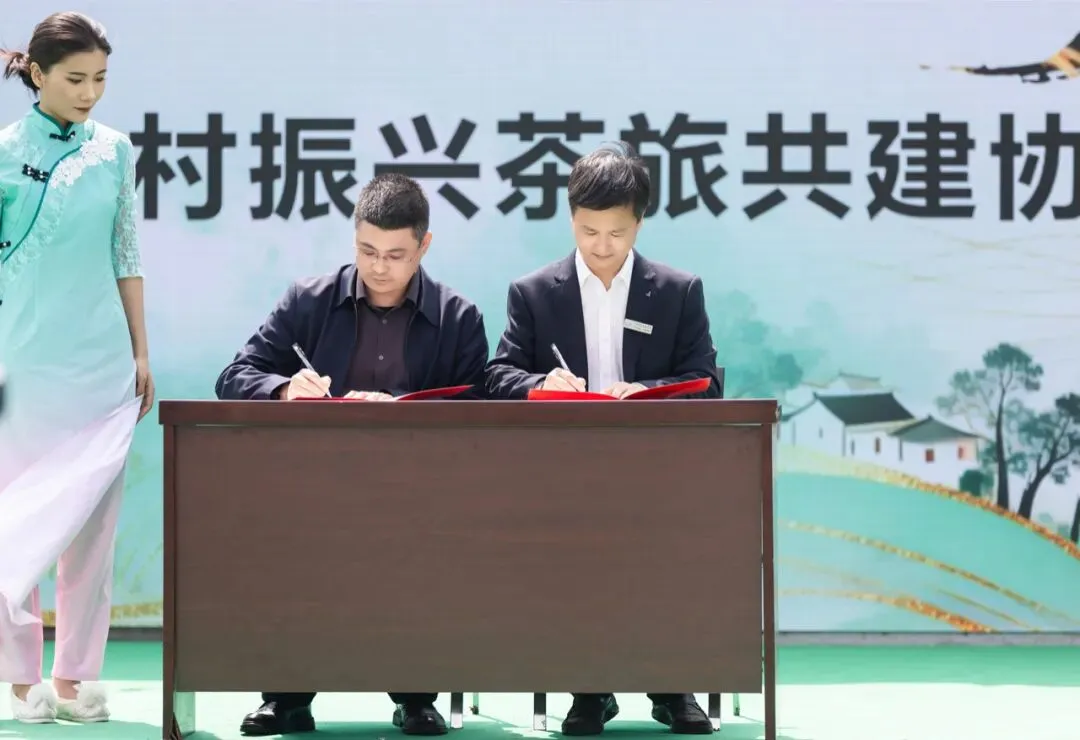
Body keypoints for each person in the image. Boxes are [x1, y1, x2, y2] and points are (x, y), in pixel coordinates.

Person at [216, 172, 487, 736]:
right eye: (367, 251)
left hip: (420, 491)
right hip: (316, 487)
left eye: (395, 255)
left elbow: (477, 414)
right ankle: (286, 698)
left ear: (424, 246)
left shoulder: (459, 318)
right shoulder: (308, 302)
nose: (378, 267)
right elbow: (235, 375)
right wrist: (284, 389)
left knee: (423, 555)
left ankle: (416, 697)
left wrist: (403, 412)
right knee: (293, 552)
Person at [485, 142, 719, 736]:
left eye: (616, 232)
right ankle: (589, 691)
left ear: (639, 223)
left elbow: (707, 380)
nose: (602, 245)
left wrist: (646, 390)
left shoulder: (678, 290)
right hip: (565, 471)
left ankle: (672, 686)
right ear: (571, 219)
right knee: (576, 573)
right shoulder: (535, 291)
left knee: (662, 571)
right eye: (589, 231)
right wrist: (542, 383)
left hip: (657, 471)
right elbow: (499, 374)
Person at [0, 12, 154, 726]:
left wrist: (140, 350)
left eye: (100, 79)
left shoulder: (115, 151)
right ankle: (17, 675)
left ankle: (75, 676)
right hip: (24, 364)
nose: (90, 93)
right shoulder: (4, 153)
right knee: (20, 519)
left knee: (93, 528)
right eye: (75, 79)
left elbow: (126, 251)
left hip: (102, 364)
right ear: (36, 73)